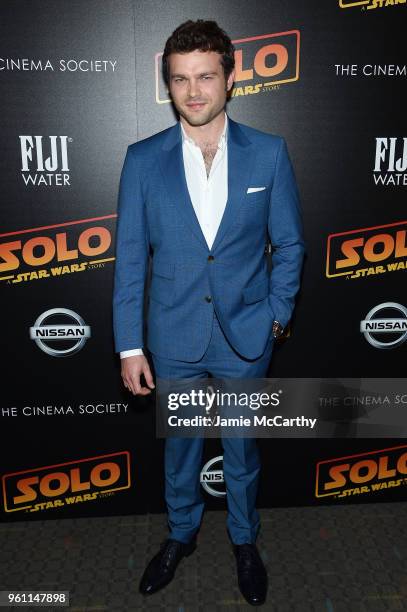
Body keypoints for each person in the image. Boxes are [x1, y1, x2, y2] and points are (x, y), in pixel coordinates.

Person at [113, 19, 305, 606]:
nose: (193, 92)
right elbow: (129, 260)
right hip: (173, 338)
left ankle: (245, 542)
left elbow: (291, 244)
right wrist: (129, 345)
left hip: (247, 336)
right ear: (167, 84)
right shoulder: (143, 160)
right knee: (181, 451)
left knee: (243, 450)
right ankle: (180, 536)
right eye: (179, 80)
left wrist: (276, 315)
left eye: (204, 77)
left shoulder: (269, 154)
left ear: (229, 78)